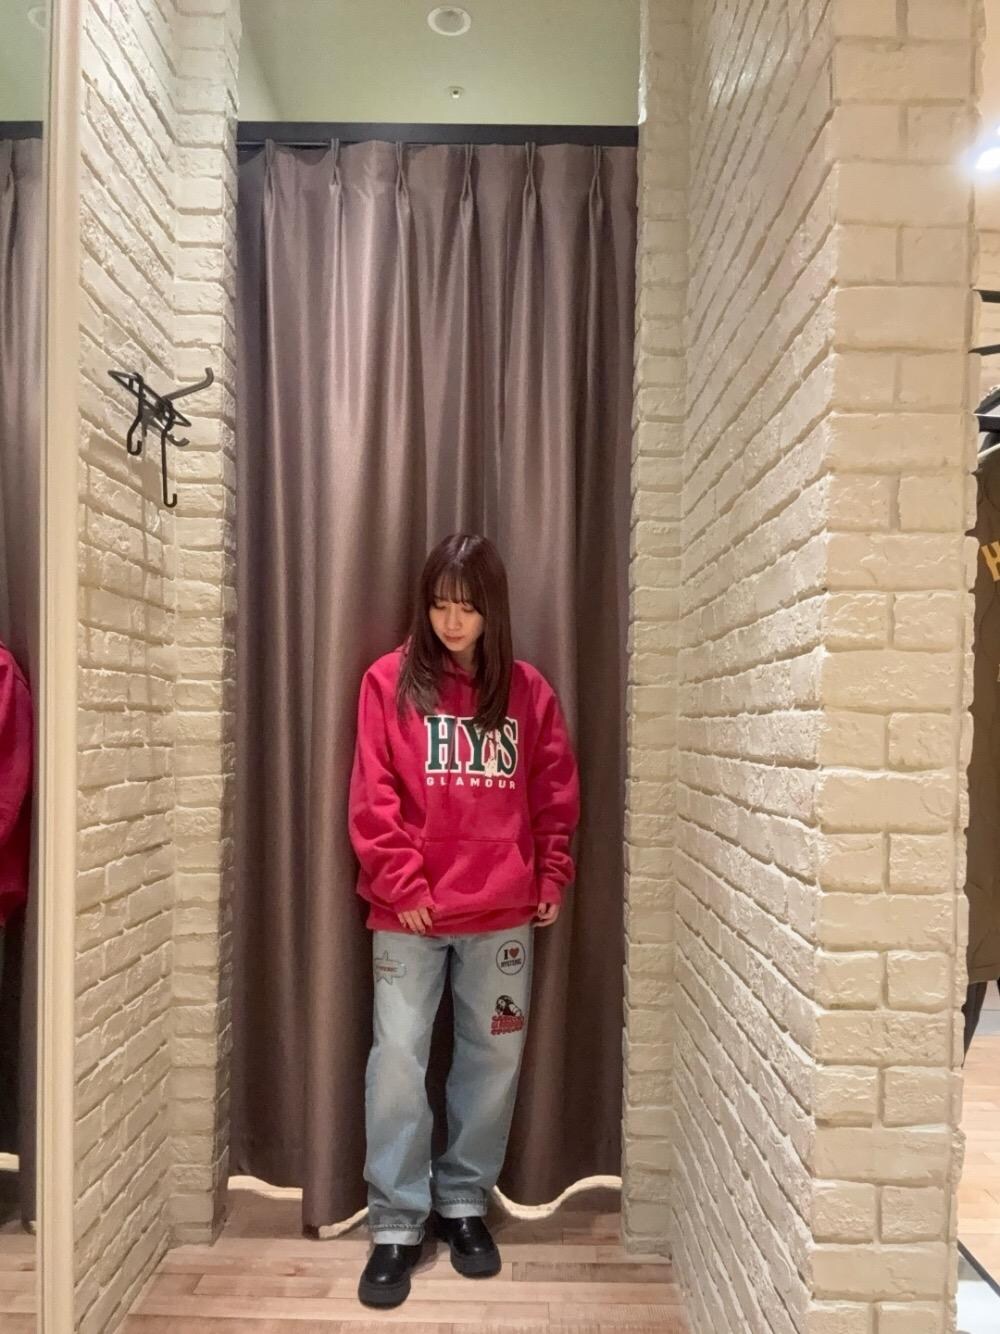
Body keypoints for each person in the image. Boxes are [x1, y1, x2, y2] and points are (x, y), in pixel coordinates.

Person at [348, 533, 580, 1309]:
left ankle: (462, 1202)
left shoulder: (528, 692)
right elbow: (373, 793)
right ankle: (396, 1219)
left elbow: (552, 790)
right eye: (441, 606)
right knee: (398, 1060)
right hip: (409, 912)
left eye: (468, 608)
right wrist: (401, 879)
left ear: (492, 612)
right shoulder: (388, 682)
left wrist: (550, 872)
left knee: (492, 1061)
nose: (452, 622)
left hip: (502, 913)